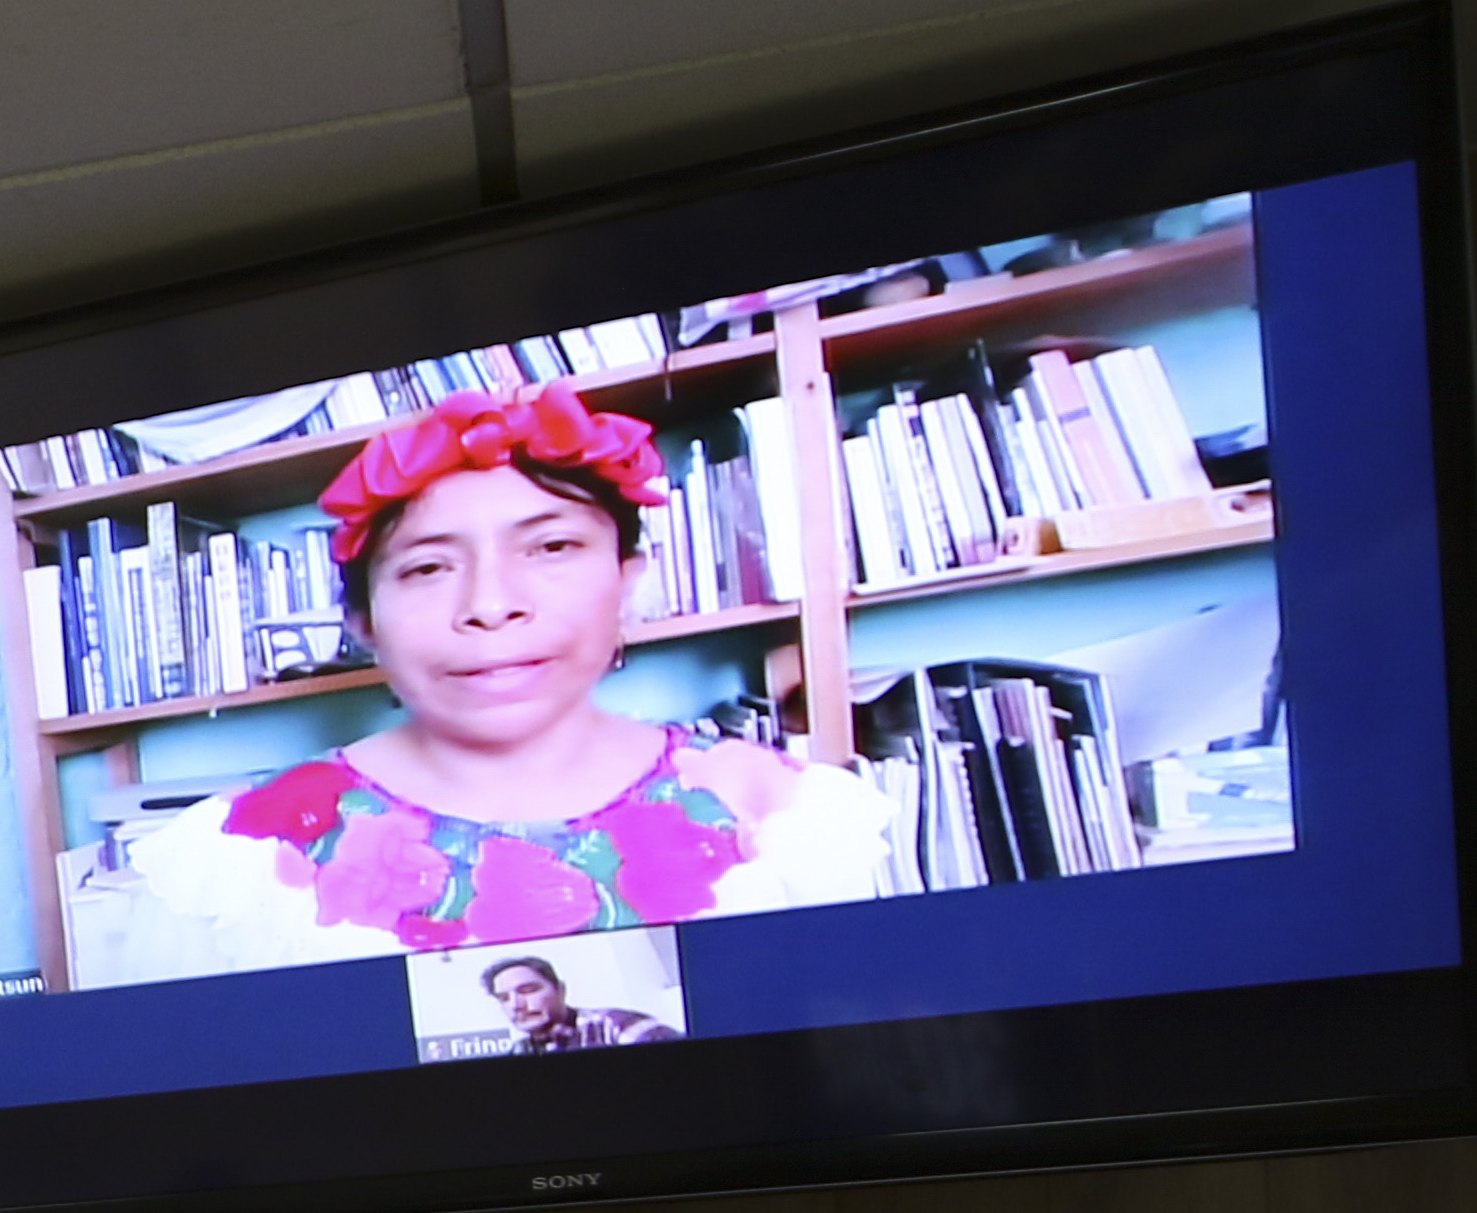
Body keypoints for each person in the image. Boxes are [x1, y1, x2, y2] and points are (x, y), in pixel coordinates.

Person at [77, 379, 892, 979]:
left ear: (627, 579)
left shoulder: (795, 820)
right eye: (428, 567)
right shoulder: (229, 863)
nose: (491, 606)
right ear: (363, 622)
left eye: (552, 547)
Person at [482, 953, 672, 1049]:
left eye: (528, 991)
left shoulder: (614, 1024)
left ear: (560, 990)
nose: (516, 1005)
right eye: (504, 998)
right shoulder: (519, 1050)